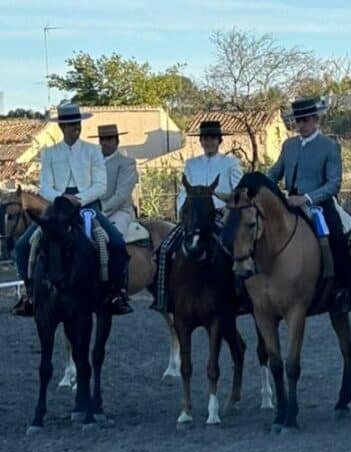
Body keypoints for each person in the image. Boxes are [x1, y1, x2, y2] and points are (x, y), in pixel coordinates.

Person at [12, 103, 132, 316]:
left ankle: (115, 293)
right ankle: (31, 294)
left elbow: (101, 185)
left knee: (116, 243)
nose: (75, 128)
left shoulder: (93, 151)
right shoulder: (49, 153)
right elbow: (45, 186)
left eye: (77, 124)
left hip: (86, 205)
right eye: (70, 125)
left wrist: (79, 199)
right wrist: (60, 198)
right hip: (57, 208)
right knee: (22, 246)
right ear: (62, 128)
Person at [264, 97, 351, 313]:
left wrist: (307, 198)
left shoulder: (330, 146)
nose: (300, 125)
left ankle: (341, 289)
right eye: (297, 121)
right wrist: (262, 185)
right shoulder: (289, 145)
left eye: (304, 120)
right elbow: (275, 172)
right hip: (289, 202)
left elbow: (334, 183)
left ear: (316, 120)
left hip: (319, 204)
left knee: (336, 235)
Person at [151, 119, 244, 312]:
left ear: (219, 141)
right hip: (193, 217)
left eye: (212, 138)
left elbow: (238, 192)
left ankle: (241, 296)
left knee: (234, 248)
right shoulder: (191, 164)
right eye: (205, 138)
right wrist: (182, 212)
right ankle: (163, 297)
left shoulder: (231, 163)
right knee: (165, 248)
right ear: (200, 141)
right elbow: (184, 192)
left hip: (219, 215)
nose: (208, 142)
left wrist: (229, 209)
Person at [92, 124, 139, 239]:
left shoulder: (126, 162)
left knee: (109, 239)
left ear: (116, 141)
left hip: (119, 211)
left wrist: (101, 213)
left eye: (109, 139)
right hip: (93, 211)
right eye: (102, 139)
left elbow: (121, 195)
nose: (104, 142)